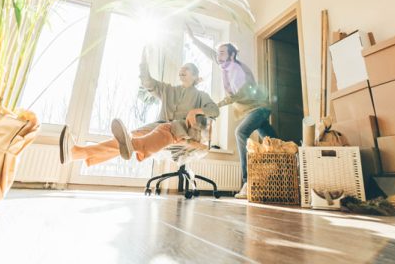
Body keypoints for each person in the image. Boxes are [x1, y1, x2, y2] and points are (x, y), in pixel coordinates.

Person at [59, 49, 219, 166]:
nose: (182, 70)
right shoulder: (168, 89)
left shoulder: (201, 95)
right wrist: (144, 61)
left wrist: (195, 111)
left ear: (195, 76)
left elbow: (214, 110)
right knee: (128, 137)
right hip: (158, 127)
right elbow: (147, 82)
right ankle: (77, 153)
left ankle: (139, 146)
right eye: (181, 69)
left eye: (187, 69)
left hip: (184, 131)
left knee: (164, 128)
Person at [187, 26, 276, 199]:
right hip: (252, 109)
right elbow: (209, 53)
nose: (217, 56)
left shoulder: (238, 70)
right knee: (273, 142)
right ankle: (287, 175)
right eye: (218, 53)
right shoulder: (225, 64)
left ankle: (247, 183)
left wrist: (213, 107)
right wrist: (193, 38)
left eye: (221, 53)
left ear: (232, 55)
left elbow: (236, 96)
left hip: (259, 108)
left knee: (240, 132)